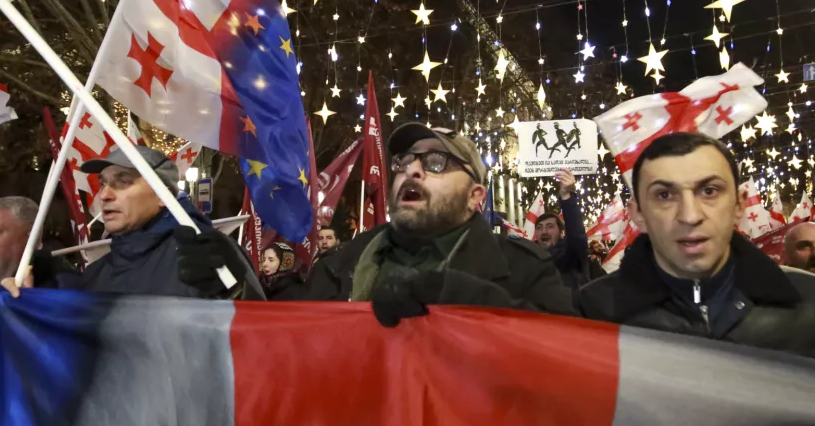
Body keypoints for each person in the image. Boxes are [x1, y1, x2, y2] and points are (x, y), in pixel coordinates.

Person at [302, 123, 575, 325]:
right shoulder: (337, 266)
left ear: (474, 196)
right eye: (405, 161)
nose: (412, 170)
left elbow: (565, 353)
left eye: (436, 162)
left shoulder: (524, 269)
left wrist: (456, 295)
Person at [578, 133, 815, 358]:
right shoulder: (591, 312)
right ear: (638, 214)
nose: (690, 216)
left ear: (739, 206)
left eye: (709, 191)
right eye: (664, 195)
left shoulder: (808, 301)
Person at [56, 146, 260, 298]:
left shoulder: (206, 254)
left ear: (163, 195)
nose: (104, 195)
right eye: (103, 183)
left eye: (123, 181)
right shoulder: (98, 272)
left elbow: (263, 336)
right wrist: (47, 282)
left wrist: (236, 292)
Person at [533, 169, 604, 289]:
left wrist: (566, 197)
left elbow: (576, 236)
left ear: (561, 233)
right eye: (539, 228)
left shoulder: (570, 255)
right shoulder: (528, 258)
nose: (544, 231)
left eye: (550, 227)